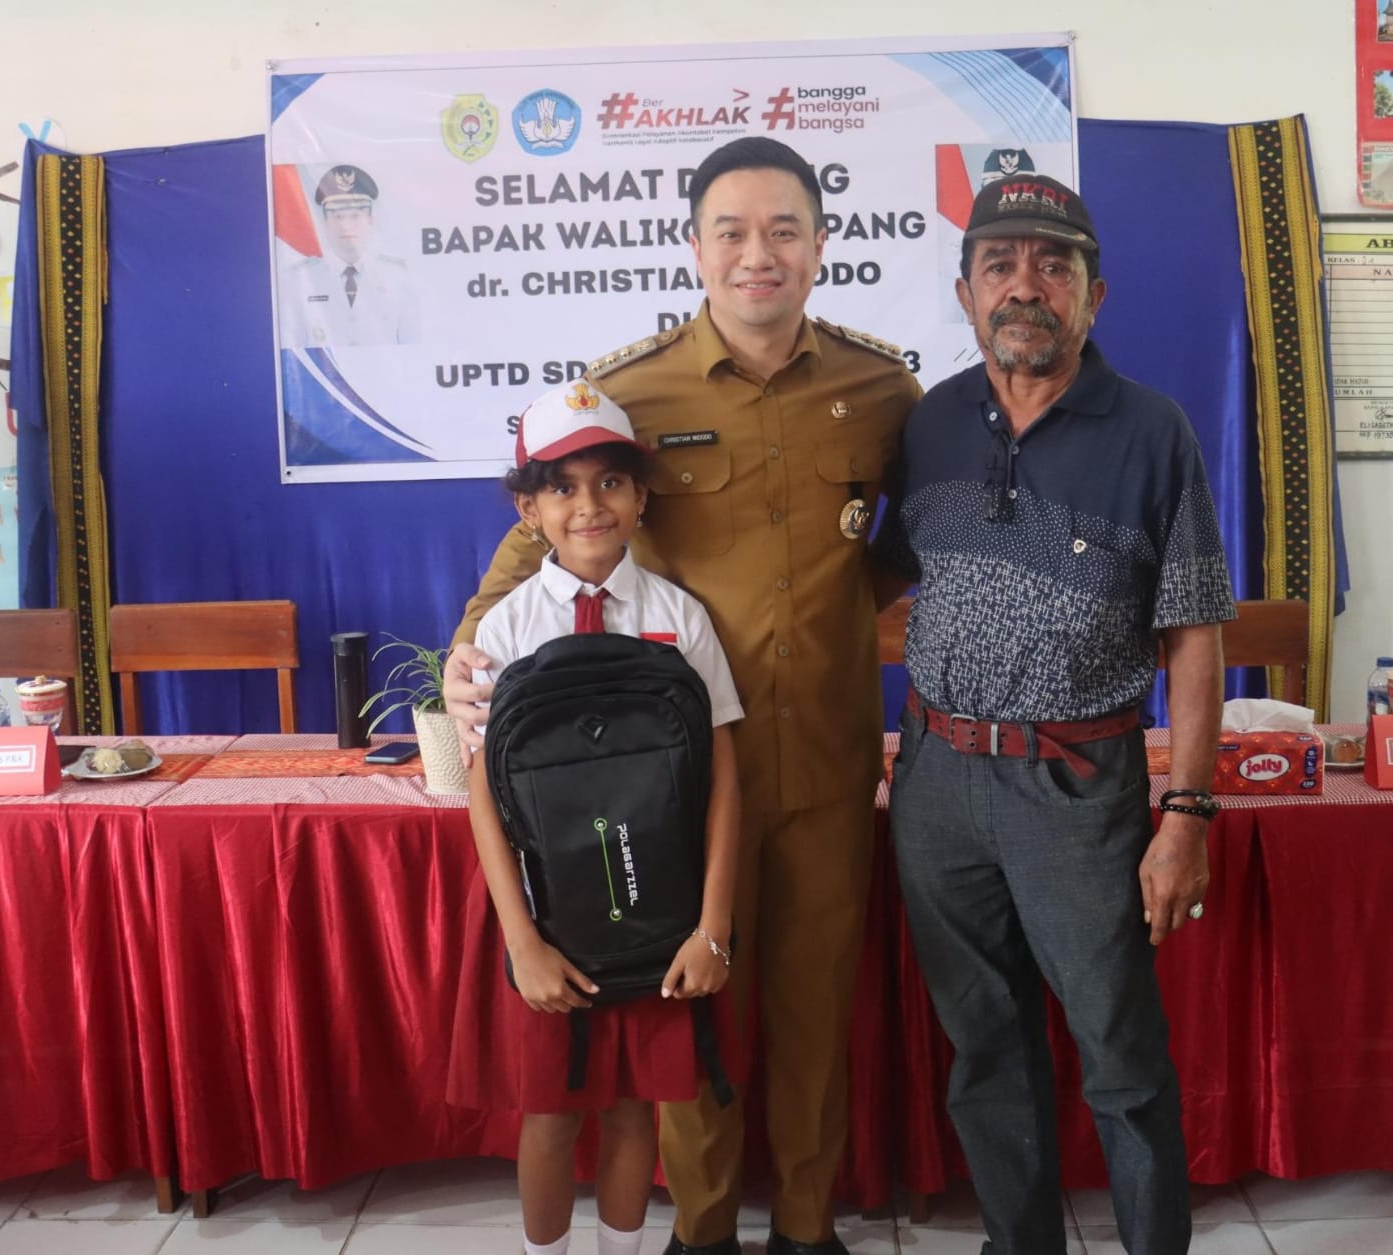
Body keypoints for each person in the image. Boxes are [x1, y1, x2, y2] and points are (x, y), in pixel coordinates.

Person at [445, 136, 922, 1255]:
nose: (759, 255)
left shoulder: (881, 388)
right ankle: (702, 1231)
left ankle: (806, 1226)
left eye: (784, 230)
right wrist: (470, 648)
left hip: (827, 766)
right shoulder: (633, 389)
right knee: (693, 1011)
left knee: (815, 1015)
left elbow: (905, 542)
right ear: (695, 248)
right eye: (732, 232)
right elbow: (543, 537)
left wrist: (841, 611)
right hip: (679, 785)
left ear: (820, 245)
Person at [873, 174, 1236, 1255]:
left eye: (1052, 265)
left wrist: (1187, 815)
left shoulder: (1152, 431)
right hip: (938, 785)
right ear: (964, 290)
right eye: (1000, 264)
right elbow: (881, 579)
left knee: (1120, 1054)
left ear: (1094, 293)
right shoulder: (930, 423)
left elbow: (1194, 635)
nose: (1024, 286)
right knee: (984, 1047)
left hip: (1078, 792)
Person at [466, 379, 744, 1255]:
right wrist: (522, 942)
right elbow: (482, 793)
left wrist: (712, 928)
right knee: (550, 1114)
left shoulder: (678, 617)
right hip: (554, 921)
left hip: (657, 918)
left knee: (632, 1108)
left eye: (610, 481)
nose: (589, 505)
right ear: (529, 509)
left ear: (641, 495)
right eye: (562, 486)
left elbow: (724, 779)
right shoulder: (505, 629)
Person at [278, 163, 420, 347]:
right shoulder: (301, 279)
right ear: (325, 222)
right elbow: (293, 349)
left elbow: (412, 346)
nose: (346, 226)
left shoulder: (397, 277)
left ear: (370, 220)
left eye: (355, 216)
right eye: (338, 217)